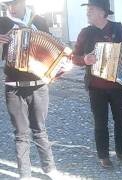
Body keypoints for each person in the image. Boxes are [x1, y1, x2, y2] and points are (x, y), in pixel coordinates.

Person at [0, 0, 62, 179]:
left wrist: (58, 66)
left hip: (39, 85)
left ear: (23, 2)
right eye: (8, 5)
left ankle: (50, 169)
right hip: (13, 86)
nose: (11, 8)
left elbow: (51, 50)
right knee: (21, 133)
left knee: (40, 129)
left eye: (14, 3)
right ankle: (25, 174)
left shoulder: (39, 21)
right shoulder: (2, 22)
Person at [72, 0, 122, 168]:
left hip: (117, 85)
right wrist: (84, 59)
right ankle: (103, 155)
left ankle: (121, 151)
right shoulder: (85, 32)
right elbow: (74, 57)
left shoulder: (118, 29)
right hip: (96, 87)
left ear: (102, 12)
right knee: (100, 122)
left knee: (121, 120)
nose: (87, 12)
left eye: (91, 9)